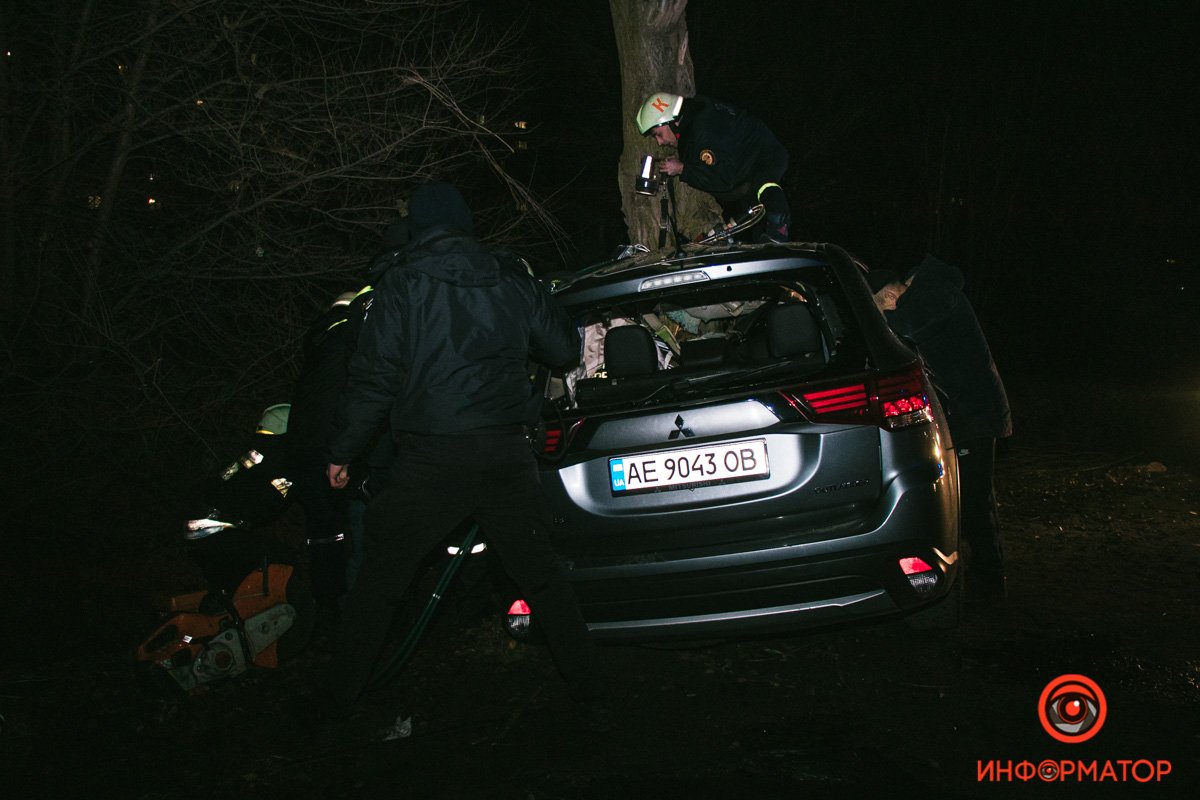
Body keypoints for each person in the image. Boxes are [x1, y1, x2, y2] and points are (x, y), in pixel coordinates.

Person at [322, 181, 603, 721]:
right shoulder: (511, 277)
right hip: (503, 455)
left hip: (432, 459)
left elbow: (374, 378)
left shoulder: (401, 285)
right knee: (541, 576)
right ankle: (591, 695)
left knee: (381, 581)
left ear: (418, 227)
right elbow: (565, 348)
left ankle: (337, 702)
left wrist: (343, 450)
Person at [868, 255, 1013, 607]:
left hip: (973, 416)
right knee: (971, 501)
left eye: (880, 305)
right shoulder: (934, 292)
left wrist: (875, 320)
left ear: (888, 295)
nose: (885, 310)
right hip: (967, 415)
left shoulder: (934, 290)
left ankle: (990, 588)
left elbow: (908, 325)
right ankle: (984, 582)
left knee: (974, 502)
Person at [637, 91, 790, 242]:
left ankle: (779, 227)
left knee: (763, 187)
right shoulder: (696, 118)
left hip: (764, 157)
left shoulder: (704, 128)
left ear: (670, 121)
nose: (660, 142)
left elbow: (723, 178)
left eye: (659, 134)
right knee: (754, 215)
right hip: (746, 166)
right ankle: (765, 242)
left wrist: (683, 169)